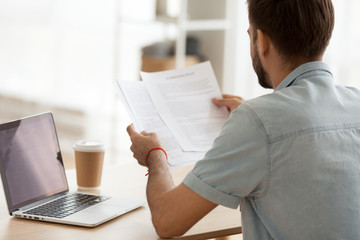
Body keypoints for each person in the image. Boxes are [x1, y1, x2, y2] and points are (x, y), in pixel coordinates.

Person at [127, 0, 360, 239]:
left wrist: (155, 156)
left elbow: (168, 221)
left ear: (263, 42)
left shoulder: (258, 121)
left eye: (250, 36)